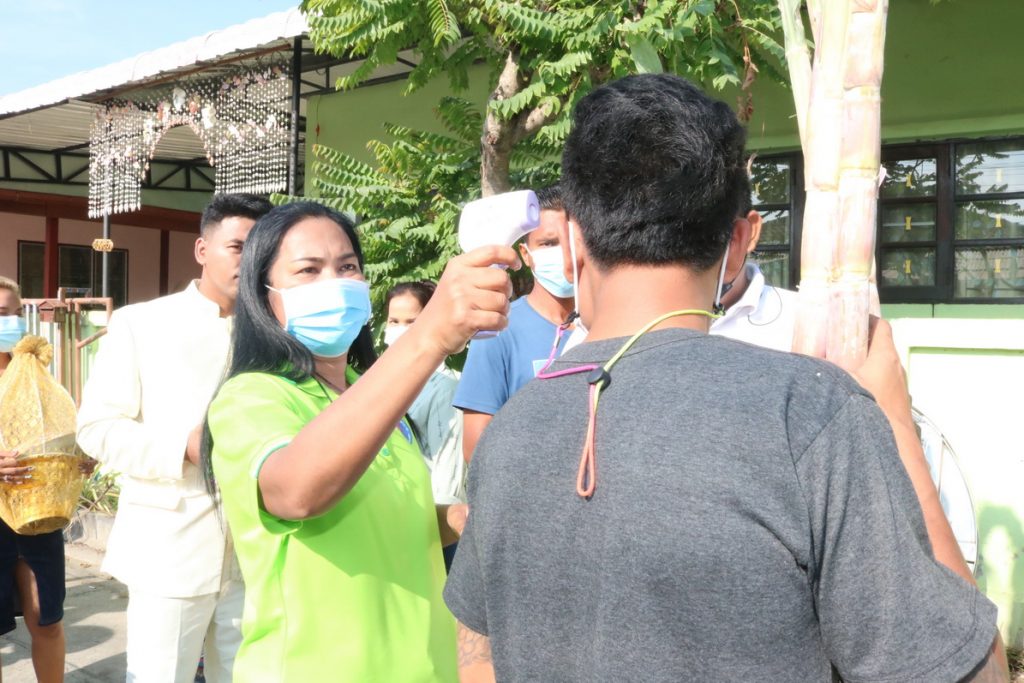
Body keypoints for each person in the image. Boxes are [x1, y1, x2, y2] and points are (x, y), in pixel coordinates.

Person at [444, 74, 1006, 681]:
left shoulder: (509, 430)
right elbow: (974, 673)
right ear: (738, 242)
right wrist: (893, 423)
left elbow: (477, 659)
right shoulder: (809, 416)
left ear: (574, 237)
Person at [200, 201, 515, 681]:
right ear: (264, 297)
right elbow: (297, 492)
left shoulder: (368, 394)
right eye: (309, 270)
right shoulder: (251, 397)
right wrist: (429, 336)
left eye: (347, 267)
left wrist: (452, 518)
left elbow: (384, 518)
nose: (335, 282)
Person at [76, 193, 272, 683]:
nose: (249, 261)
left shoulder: (278, 331)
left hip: (260, 549)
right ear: (202, 249)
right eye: (237, 247)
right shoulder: (143, 323)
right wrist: (181, 448)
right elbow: (97, 427)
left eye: (262, 250)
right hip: (172, 545)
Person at [0, 276, 94, 683]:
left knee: (46, 619)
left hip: (38, 515)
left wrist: (81, 454)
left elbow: (65, 431)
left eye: (10, 312)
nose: (7, 322)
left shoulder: (40, 378)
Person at [454, 185, 575, 462]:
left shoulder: (606, 324)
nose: (564, 254)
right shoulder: (498, 328)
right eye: (549, 243)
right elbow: (476, 448)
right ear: (526, 253)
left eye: (571, 242)